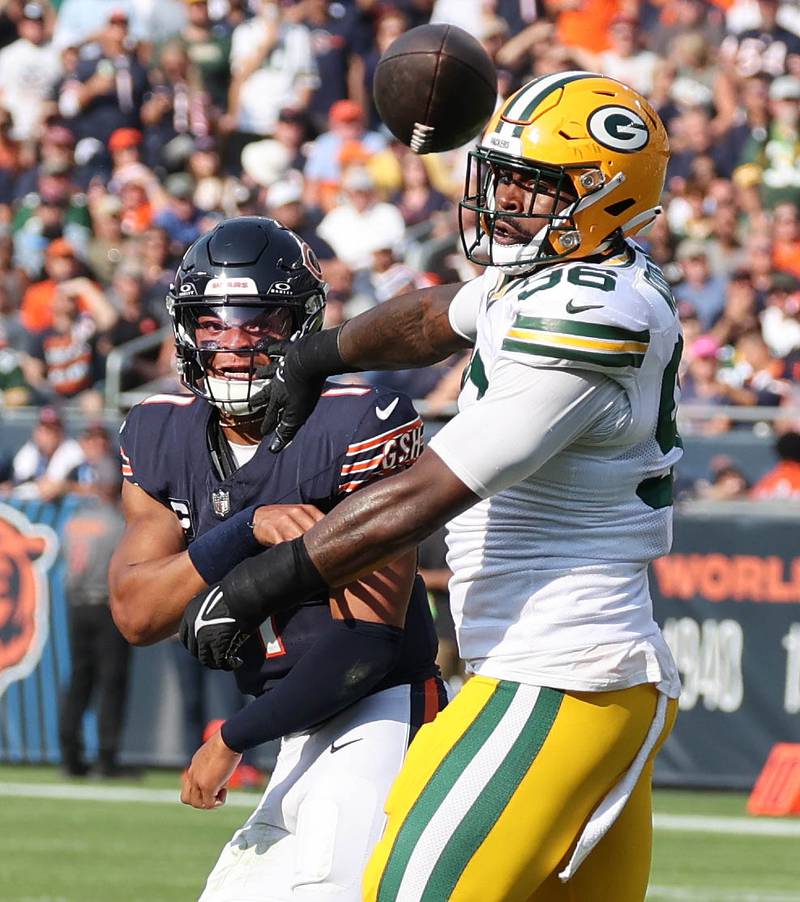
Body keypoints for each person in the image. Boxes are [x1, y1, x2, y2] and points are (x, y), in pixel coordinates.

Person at [181, 72, 683, 901]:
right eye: (506, 176)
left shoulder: (592, 315)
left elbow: (430, 492)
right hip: (578, 675)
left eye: (536, 185)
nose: (507, 200)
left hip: (556, 676)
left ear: (606, 195)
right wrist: (320, 354)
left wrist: (265, 578)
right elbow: (432, 317)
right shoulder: (564, 276)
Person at [108, 216, 446, 902]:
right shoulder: (158, 432)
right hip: (289, 727)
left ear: (302, 328)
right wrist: (244, 531)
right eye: (214, 324)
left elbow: (369, 644)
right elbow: (137, 613)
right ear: (185, 329)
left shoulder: (357, 420)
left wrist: (233, 737)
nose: (233, 346)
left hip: (382, 712)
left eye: (260, 323)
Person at [59, 430, 130, 777]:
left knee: (79, 680)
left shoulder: (74, 521)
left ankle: (69, 754)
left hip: (76, 605)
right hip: (105, 604)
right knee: (111, 681)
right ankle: (106, 756)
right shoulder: (117, 523)